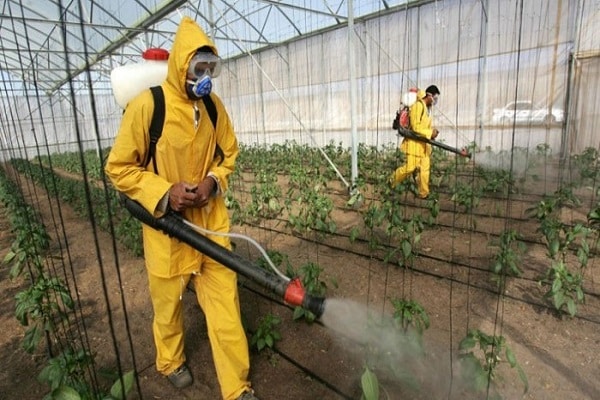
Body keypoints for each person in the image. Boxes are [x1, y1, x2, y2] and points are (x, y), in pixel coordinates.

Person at [105, 17, 259, 400]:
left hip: (211, 226)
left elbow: (230, 153)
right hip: (168, 229)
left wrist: (212, 181)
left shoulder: (213, 108)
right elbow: (119, 168)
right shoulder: (148, 107)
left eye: (210, 69)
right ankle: (170, 361)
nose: (204, 77)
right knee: (168, 306)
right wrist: (164, 192)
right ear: (180, 67)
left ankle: (237, 388)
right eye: (198, 69)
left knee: (226, 306)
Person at [390, 85, 440, 199]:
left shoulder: (428, 109)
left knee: (425, 170)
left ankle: (424, 193)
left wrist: (432, 134)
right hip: (414, 145)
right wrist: (429, 132)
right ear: (429, 95)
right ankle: (391, 181)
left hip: (424, 145)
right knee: (409, 168)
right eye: (435, 97)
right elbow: (416, 127)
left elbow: (425, 126)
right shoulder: (418, 106)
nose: (436, 100)